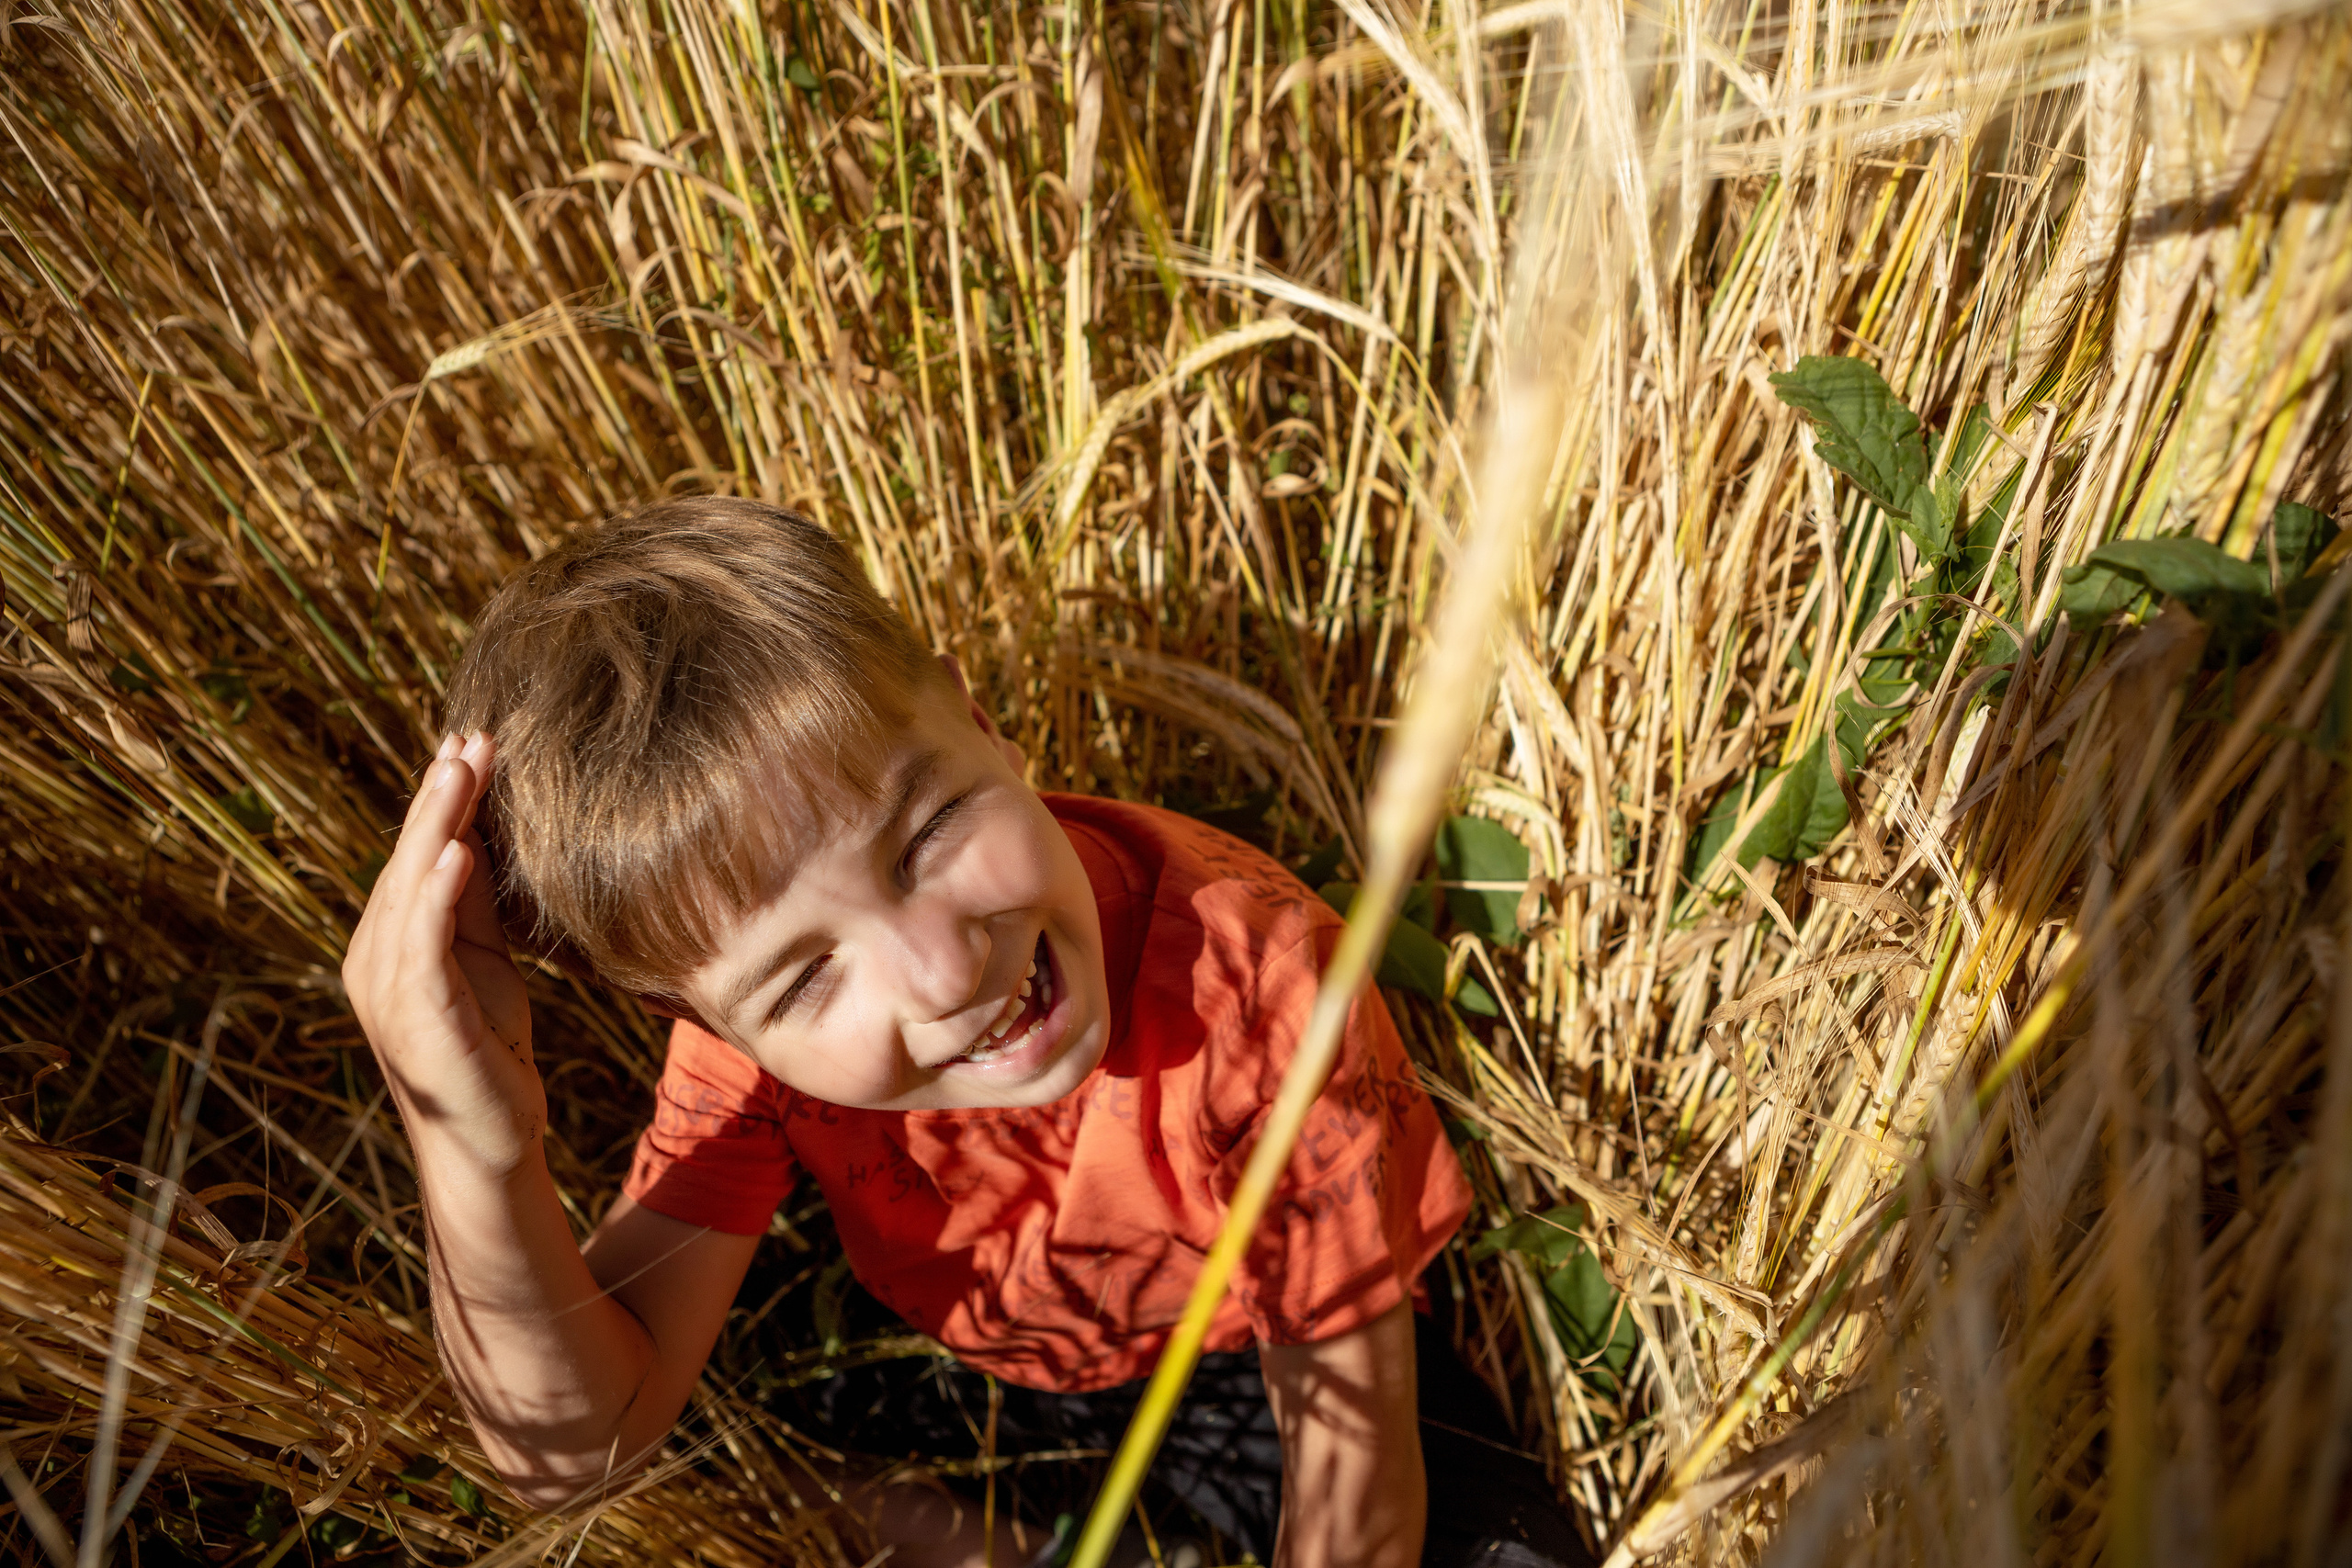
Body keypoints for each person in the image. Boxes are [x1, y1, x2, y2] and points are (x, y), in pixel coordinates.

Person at [342, 498, 1594, 1568]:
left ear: (980, 724)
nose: (944, 968)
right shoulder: (737, 1064)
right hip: (955, 1348)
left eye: (930, 830)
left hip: (1243, 1361)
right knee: (739, 1431)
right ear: (698, 1021)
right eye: (802, 981)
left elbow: (1351, 1459)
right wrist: (471, 1141)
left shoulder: (1254, 985)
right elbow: (575, 1454)